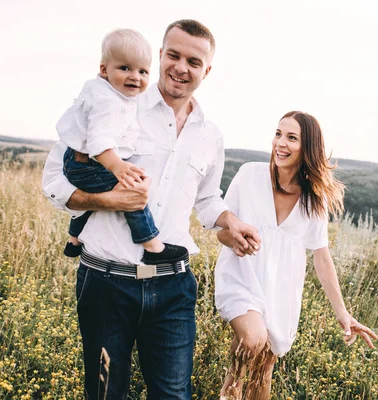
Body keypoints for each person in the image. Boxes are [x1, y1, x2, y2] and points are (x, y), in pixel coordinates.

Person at [42, 20, 260, 399]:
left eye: (193, 61)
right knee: (106, 393)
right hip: (106, 282)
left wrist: (231, 220)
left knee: (174, 395)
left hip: (173, 286)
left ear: (206, 70)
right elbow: (54, 182)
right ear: (160, 55)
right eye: (173, 56)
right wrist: (109, 201)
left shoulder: (210, 135)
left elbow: (207, 200)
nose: (180, 67)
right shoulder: (114, 101)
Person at [215, 111, 378, 399]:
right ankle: (230, 387)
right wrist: (236, 240)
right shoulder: (250, 175)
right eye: (278, 134)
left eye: (291, 138)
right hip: (241, 277)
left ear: (308, 148)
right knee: (253, 339)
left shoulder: (313, 199)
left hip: (280, 292)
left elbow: (321, 257)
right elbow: (221, 231)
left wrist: (343, 313)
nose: (280, 143)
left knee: (263, 371)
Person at [57, 28, 188, 265]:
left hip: (77, 161)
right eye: (125, 68)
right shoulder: (109, 102)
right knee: (133, 194)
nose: (135, 77)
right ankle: (151, 245)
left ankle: (74, 239)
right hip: (88, 162)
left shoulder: (102, 91)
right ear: (104, 69)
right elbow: (99, 141)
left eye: (142, 71)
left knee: (98, 193)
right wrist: (118, 167)